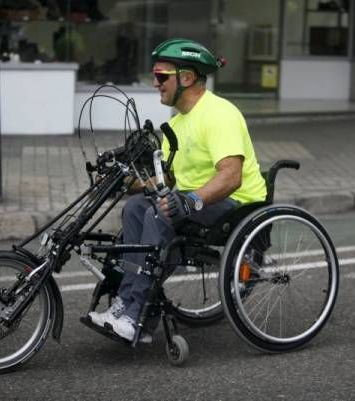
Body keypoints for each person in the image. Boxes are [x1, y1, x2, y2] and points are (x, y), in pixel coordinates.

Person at [88, 38, 267, 342]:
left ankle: (136, 316)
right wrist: (127, 183)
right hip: (195, 197)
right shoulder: (179, 122)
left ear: (186, 78)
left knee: (162, 212)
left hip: (236, 201)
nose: (155, 83)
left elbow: (231, 176)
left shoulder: (218, 113)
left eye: (161, 76)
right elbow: (168, 180)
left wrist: (191, 200)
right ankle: (128, 303)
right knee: (135, 209)